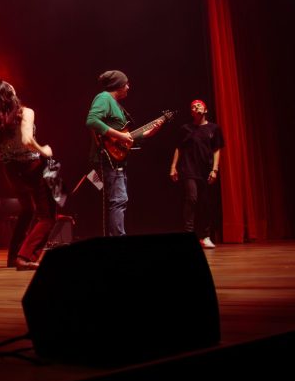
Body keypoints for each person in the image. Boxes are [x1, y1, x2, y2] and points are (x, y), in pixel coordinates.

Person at [0, 81, 56, 270]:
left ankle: (12, 258)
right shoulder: (25, 112)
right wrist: (44, 150)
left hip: (11, 170)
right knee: (48, 215)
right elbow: (27, 140)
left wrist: (10, 149)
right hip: (32, 167)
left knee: (27, 210)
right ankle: (25, 257)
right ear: (10, 93)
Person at [85, 70, 162, 237]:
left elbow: (127, 138)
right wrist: (120, 135)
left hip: (117, 160)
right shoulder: (104, 98)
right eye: (126, 83)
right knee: (118, 200)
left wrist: (150, 133)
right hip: (107, 159)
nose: (128, 86)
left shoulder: (115, 104)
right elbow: (91, 120)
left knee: (119, 201)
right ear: (118, 85)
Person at [170, 99, 223, 248]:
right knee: (191, 198)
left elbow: (217, 150)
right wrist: (173, 167)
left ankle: (205, 236)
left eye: (199, 105)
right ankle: (188, 233)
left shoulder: (214, 129)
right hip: (188, 169)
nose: (195, 107)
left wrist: (215, 169)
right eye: (193, 106)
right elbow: (178, 148)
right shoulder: (185, 129)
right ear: (191, 112)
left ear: (205, 110)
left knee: (205, 202)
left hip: (205, 170)